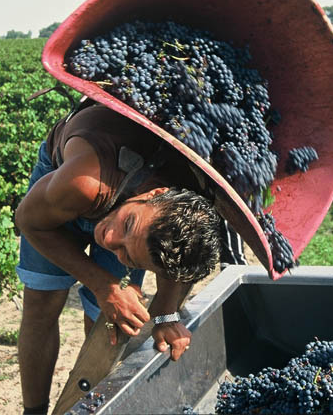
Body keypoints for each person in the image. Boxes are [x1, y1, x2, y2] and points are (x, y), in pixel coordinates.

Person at [15, 102, 225, 415]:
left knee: (107, 323)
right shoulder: (82, 182)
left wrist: (166, 315)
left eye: (128, 256)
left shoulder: (187, 205)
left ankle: (88, 407)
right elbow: (28, 221)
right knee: (42, 304)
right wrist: (103, 284)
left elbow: (179, 265)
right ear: (154, 195)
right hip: (70, 181)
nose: (109, 239)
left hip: (129, 190)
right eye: (128, 225)